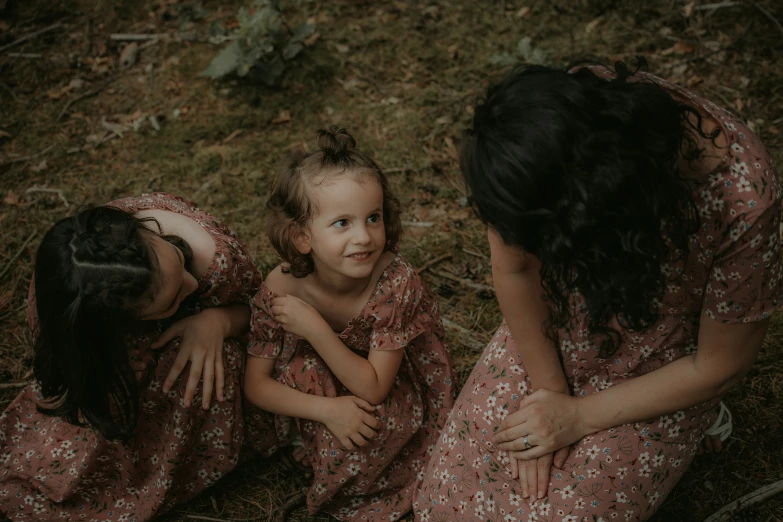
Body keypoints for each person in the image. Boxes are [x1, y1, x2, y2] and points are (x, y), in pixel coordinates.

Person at [414, 60, 781, 521]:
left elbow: (718, 365)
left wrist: (579, 417)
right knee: (447, 504)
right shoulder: (539, 139)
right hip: (563, 316)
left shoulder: (744, 202)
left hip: (668, 360)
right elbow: (514, 269)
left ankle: (705, 418)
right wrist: (550, 393)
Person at [0, 193, 279, 521]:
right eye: (173, 298)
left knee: (188, 368)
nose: (190, 283)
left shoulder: (215, 262)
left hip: (217, 334)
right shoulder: (70, 281)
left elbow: (262, 309)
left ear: (146, 231)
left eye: (176, 258)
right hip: (118, 354)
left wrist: (219, 320)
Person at [244, 127, 457, 521]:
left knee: (374, 428)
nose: (364, 236)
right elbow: (255, 384)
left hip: (385, 377)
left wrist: (315, 329)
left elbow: (374, 388)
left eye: (373, 218)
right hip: (322, 382)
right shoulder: (281, 286)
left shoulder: (395, 281)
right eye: (343, 223)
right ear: (302, 237)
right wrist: (327, 411)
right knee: (305, 379)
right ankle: (312, 445)